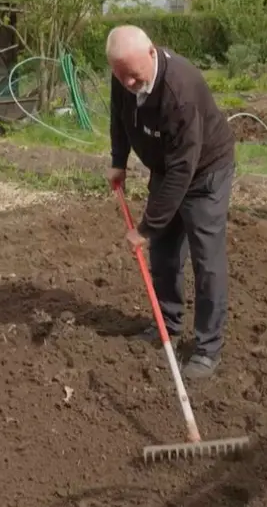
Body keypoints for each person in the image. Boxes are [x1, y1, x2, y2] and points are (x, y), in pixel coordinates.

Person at [104, 25, 235, 380]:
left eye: (134, 76)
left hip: (204, 173)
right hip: (166, 167)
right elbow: (120, 116)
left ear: (152, 53)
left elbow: (183, 169)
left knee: (206, 261)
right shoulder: (124, 75)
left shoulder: (181, 90)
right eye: (121, 75)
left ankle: (208, 348)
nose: (128, 83)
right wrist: (119, 159)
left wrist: (146, 228)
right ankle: (168, 324)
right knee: (163, 255)